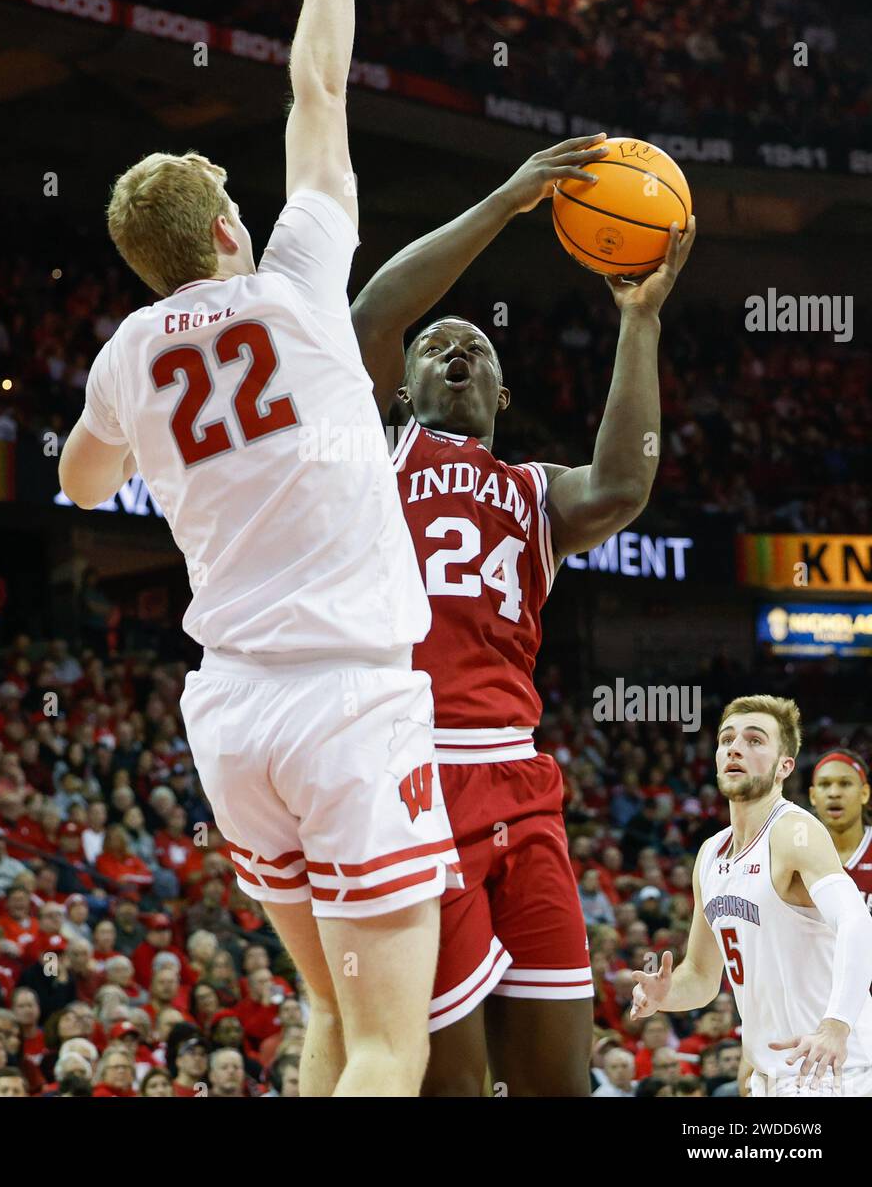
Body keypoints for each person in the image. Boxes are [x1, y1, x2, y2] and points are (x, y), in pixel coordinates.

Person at [57, 0, 458, 1100]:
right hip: (347, 698)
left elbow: (73, 483)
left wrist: (131, 437)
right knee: (395, 1042)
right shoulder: (291, 287)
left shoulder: (123, 352)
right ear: (231, 227)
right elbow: (318, 91)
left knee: (331, 1021)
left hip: (229, 711)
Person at [350, 139, 696, 1096]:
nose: (453, 349)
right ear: (404, 385)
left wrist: (639, 322)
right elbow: (376, 312)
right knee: (451, 1087)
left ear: (502, 395)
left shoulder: (535, 491)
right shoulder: (374, 451)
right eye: (436, 346)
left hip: (520, 778)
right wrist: (505, 202)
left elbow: (626, 481)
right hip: (412, 774)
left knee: (560, 1085)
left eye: (477, 348)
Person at [631, 695, 872, 1097]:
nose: (736, 748)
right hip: (773, 1076)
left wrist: (836, 1024)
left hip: (834, 1071)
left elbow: (856, 921)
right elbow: (703, 978)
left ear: (785, 766)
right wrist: (663, 995)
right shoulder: (709, 854)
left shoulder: (794, 832)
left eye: (755, 740)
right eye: (727, 740)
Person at [808, 749, 872, 912]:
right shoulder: (796, 852)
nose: (834, 793)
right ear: (813, 796)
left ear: (864, 793)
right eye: (824, 784)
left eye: (845, 783)